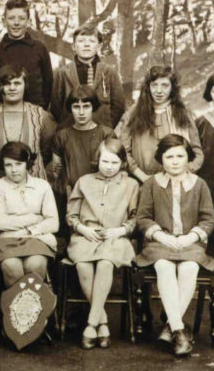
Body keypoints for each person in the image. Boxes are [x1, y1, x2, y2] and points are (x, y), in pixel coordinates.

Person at [136, 134, 214, 356]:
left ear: (188, 158)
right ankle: (180, 330)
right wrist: (162, 237)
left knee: (189, 267)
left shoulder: (199, 184)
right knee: (164, 266)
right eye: (169, 156)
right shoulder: (151, 184)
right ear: (161, 159)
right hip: (159, 243)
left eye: (180, 156)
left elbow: (208, 219)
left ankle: (170, 328)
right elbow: (143, 218)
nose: (175, 161)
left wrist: (190, 237)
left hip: (189, 243)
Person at [66, 137, 139, 349]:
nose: (109, 167)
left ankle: (91, 324)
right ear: (97, 160)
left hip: (115, 237)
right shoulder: (84, 181)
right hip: (86, 236)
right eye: (105, 161)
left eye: (114, 163)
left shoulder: (131, 184)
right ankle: (103, 321)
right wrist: (82, 229)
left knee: (106, 262)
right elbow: (71, 215)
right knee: (82, 264)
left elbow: (135, 217)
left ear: (123, 163)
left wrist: (120, 230)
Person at [0, 142, 58, 286]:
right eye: (8, 165)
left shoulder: (42, 186)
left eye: (18, 164)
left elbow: (53, 223)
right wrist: (36, 218)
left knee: (35, 265)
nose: (13, 170)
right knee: (12, 266)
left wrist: (30, 230)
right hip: (5, 240)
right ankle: (16, 307)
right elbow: (1, 223)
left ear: (27, 164)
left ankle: (33, 307)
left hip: (37, 238)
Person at [115, 66, 203, 183]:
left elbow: (197, 153)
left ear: (172, 88)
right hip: (142, 180)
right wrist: (141, 175)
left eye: (165, 85)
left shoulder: (182, 113)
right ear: (148, 87)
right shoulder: (134, 113)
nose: (159, 91)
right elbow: (121, 148)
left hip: (176, 181)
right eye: (154, 85)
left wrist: (182, 172)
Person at [0, 64, 55, 184]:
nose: (12, 88)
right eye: (7, 83)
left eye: (17, 83)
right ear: (0, 87)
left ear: (25, 85)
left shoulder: (40, 116)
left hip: (32, 190)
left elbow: (48, 152)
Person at [50, 26, 126, 129]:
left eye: (91, 41)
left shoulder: (109, 72)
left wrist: (107, 126)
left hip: (101, 131)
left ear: (99, 46)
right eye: (81, 41)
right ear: (73, 46)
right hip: (70, 133)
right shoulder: (62, 73)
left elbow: (118, 105)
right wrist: (66, 125)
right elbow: (56, 106)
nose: (86, 45)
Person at [0, 0, 52, 109]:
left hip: (35, 112)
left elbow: (48, 84)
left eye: (21, 18)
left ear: (29, 21)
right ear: (4, 21)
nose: (16, 23)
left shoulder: (40, 48)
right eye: (11, 18)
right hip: (4, 114)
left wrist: (41, 110)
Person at [51, 86, 113, 196]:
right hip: (71, 194)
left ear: (93, 107)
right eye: (76, 107)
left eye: (86, 106)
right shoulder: (62, 136)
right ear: (70, 109)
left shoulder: (106, 134)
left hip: (99, 193)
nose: (81, 112)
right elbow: (57, 170)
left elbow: (113, 167)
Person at [196, 71, 214, 260]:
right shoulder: (201, 123)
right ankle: (211, 284)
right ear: (209, 94)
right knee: (212, 234)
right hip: (209, 185)